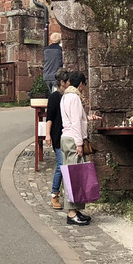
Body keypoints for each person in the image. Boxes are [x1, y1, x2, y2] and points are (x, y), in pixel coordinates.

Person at [59, 72, 90, 226]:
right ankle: (71, 213)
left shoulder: (65, 96)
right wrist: (79, 143)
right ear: (81, 84)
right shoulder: (75, 98)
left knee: (71, 174)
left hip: (65, 137)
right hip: (73, 138)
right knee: (74, 177)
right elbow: (76, 122)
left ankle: (76, 210)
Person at [45, 70, 69, 210]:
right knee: (60, 165)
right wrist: (48, 135)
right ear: (62, 83)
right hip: (57, 136)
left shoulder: (68, 97)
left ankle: (67, 193)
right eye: (67, 82)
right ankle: (54, 194)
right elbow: (50, 117)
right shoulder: (55, 97)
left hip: (66, 135)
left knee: (65, 165)